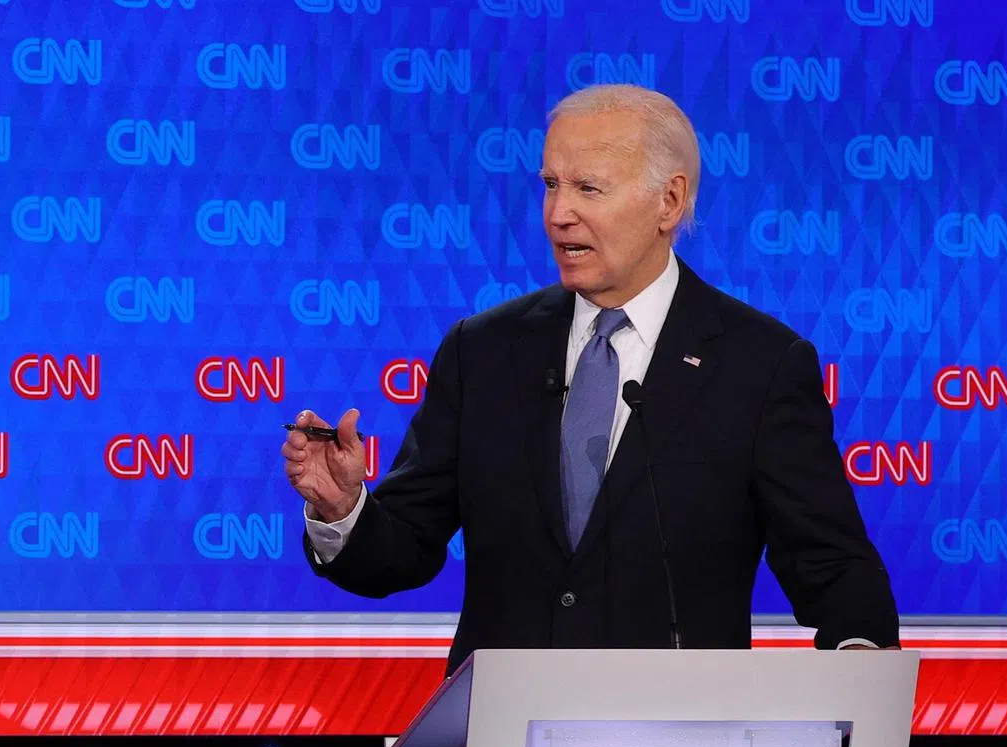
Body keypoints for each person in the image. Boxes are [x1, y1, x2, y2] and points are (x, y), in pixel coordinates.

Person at [282, 84, 900, 676]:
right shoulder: (484, 351)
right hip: (507, 734)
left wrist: (861, 667)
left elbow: (833, 565)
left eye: (588, 188)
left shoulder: (759, 364)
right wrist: (344, 510)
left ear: (670, 201)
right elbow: (406, 549)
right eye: (551, 185)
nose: (559, 213)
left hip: (679, 735)